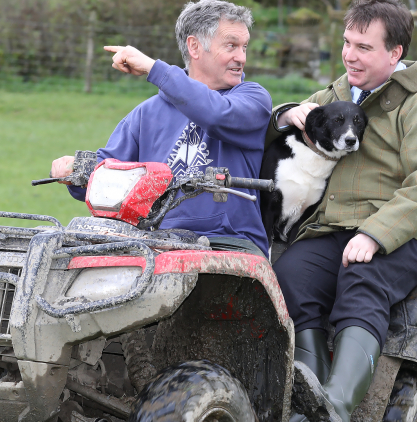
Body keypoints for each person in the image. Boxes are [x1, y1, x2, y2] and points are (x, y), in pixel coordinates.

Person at [267, 0, 417, 422]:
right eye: (346, 43)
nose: (350, 55)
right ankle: (309, 396)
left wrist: (375, 235)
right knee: (290, 276)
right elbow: (280, 127)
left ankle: (336, 407)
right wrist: (285, 113)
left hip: (414, 230)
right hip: (339, 227)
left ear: (394, 54)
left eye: (363, 46)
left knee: (362, 277)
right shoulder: (339, 93)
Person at [50, 0, 272, 258]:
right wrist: (74, 171)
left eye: (244, 47)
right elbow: (105, 175)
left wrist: (154, 69)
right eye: (231, 46)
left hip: (231, 245)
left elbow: (214, 114)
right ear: (195, 47)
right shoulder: (147, 114)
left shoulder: (253, 99)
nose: (241, 57)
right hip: (157, 244)